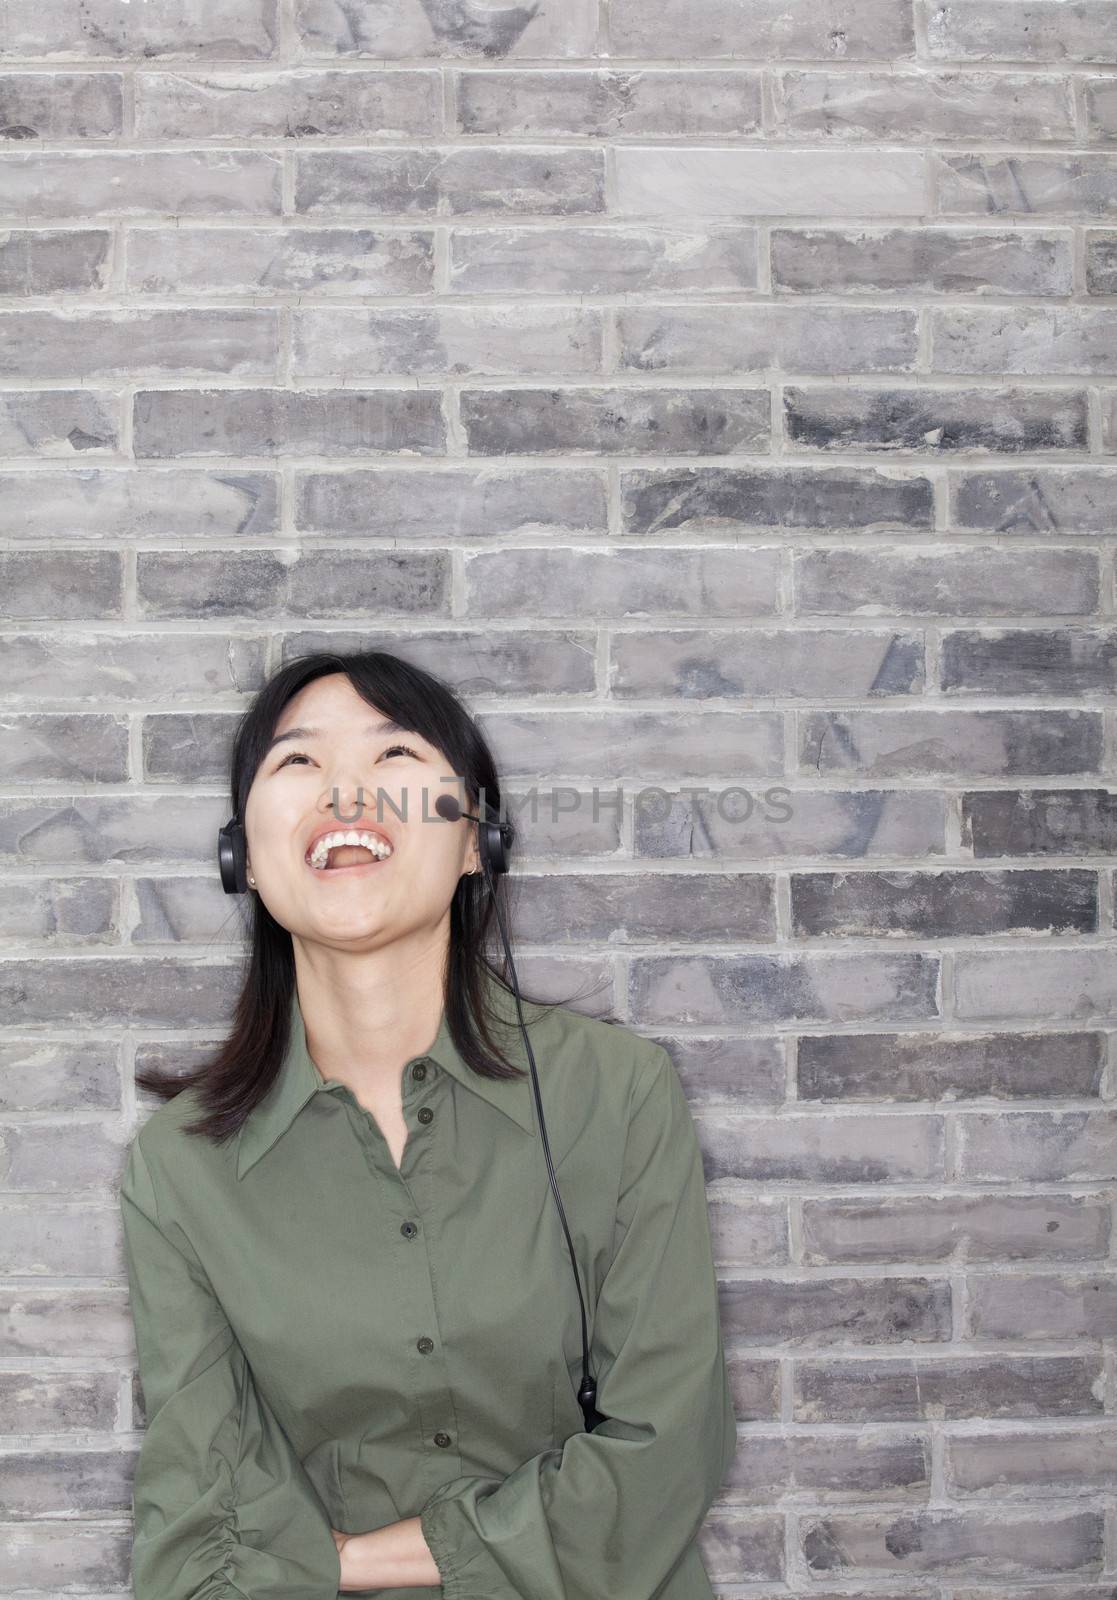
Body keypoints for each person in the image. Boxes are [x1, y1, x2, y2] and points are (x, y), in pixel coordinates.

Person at [118, 648, 737, 1600]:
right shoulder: (180, 1168)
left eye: (394, 756)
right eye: (297, 763)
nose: (346, 790)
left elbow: (664, 1456)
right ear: (242, 855)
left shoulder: (615, 1094)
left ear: (472, 840)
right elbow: (197, 1519)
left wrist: (347, 1564)